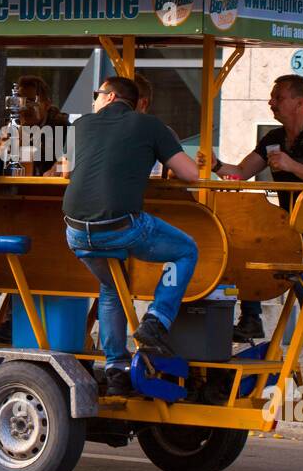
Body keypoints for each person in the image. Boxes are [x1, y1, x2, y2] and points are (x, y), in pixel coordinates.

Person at [63, 75, 200, 397]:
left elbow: (67, 171)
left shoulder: (81, 125)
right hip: (119, 227)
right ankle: (156, 321)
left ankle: (116, 368)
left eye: (97, 94)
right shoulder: (150, 126)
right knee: (186, 250)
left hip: (74, 232)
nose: (94, 99)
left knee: (112, 284)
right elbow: (191, 174)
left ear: (110, 97)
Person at [214, 74, 303, 389]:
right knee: (245, 245)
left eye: (278, 97)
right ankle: (251, 316)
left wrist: (291, 165)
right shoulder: (273, 138)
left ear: (298, 102)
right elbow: (242, 173)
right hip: (285, 225)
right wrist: (215, 165)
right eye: (272, 97)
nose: (271, 103)